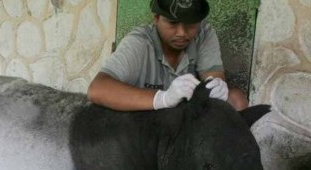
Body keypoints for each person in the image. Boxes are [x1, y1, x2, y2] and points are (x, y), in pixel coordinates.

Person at [87, 0, 248, 111]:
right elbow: (97, 89)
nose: (181, 33)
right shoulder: (140, 42)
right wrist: (163, 98)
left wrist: (217, 86)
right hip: (144, 122)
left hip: (185, 121)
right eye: (172, 23)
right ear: (156, 18)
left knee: (236, 99)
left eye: (190, 24)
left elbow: (213, 79)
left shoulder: (204, 34)